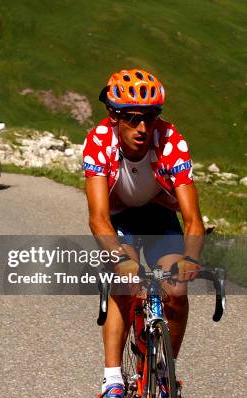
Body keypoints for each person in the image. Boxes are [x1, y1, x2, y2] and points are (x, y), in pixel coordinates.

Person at [83, 69, 203, 398]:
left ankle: (166, 370)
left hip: (158, 214)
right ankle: (112, 380)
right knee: (124, 283)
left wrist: (191, 258)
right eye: (133, 118)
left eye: (150, 117)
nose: (143, 128)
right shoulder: (98, 141)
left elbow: (193, 219)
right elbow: (98, 219)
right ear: (113, 115)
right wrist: (121, 259)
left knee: (176, 290)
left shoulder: (170, 140)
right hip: (119, 216)